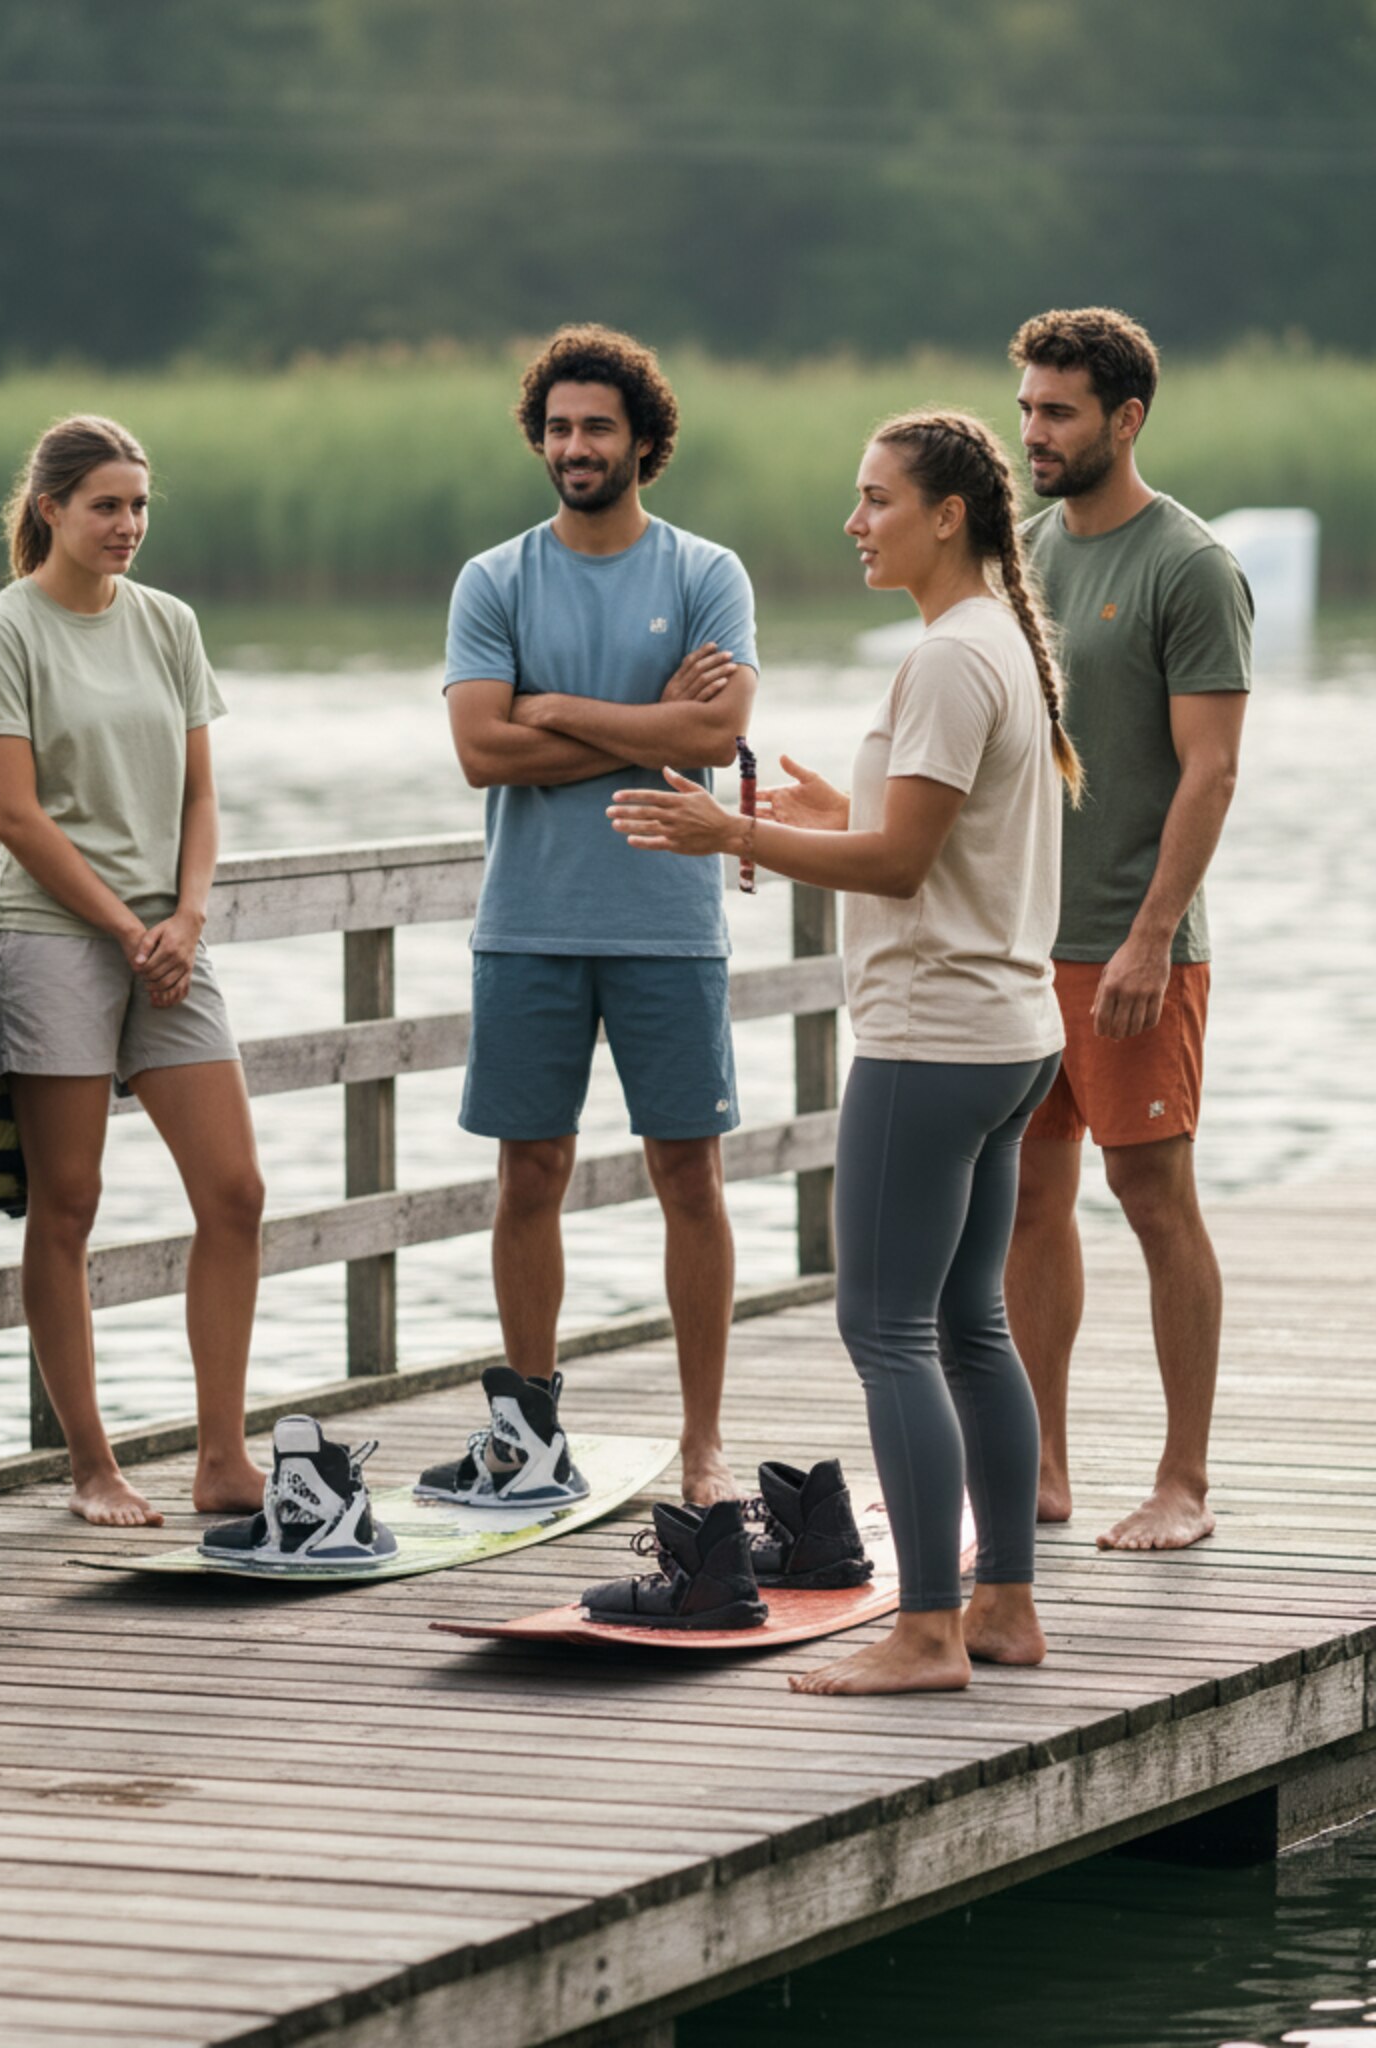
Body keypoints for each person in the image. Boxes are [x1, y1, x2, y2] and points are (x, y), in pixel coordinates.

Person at [607, 409, 1081, 1696]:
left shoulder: (944, 659)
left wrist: (732, 838)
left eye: (874, 500)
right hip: (1008, 1034)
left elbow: (900, 862)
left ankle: (926, 1629)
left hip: (931, 1041)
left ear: (948, 516)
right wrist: (829, 810)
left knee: (884, 1329)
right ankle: (1002, 1610)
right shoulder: (994, 643)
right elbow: (931, 833)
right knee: (968, 1325)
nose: (852, 520)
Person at [436, 323, 758, 1510]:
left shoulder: (703, 573)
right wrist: (640, 722)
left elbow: (715, 739)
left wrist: (558, 709)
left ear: (642, 442)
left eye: (596, 428)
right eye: (558, 427)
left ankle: (704, 1441)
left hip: (668, 923)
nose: (574, 446)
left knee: (690, 1175)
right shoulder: (495, 577)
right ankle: (526, 1433)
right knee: (530, 1174)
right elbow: (478, 750)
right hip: (527, 921)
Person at [0, 415, 266, 1530]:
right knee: (69, 1203)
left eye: (138, 506)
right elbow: (13, 815)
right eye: (105, 506)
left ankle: (222, 1456)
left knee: (234, 1190)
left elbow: (198, 795)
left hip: (169, 944)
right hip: (51, 937)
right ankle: (92, 1464)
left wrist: (183, 916)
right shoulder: (3, 630)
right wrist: (124, 930)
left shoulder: (168, 623)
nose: (127, 525)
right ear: (49, 509)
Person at [1004, 308, 1251, 1555]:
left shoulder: (1187, 565)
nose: (1032, 432)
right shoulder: (1024, 551)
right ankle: (1039, 1467)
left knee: (1152, 1197)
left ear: (1123, 418)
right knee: (1024, 1200)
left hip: (1131, 943)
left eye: (1057, 411)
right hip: (1016, 948)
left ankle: (1182, 1480)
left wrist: (1152, 936)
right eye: (1027, 407)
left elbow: (1207, 774)